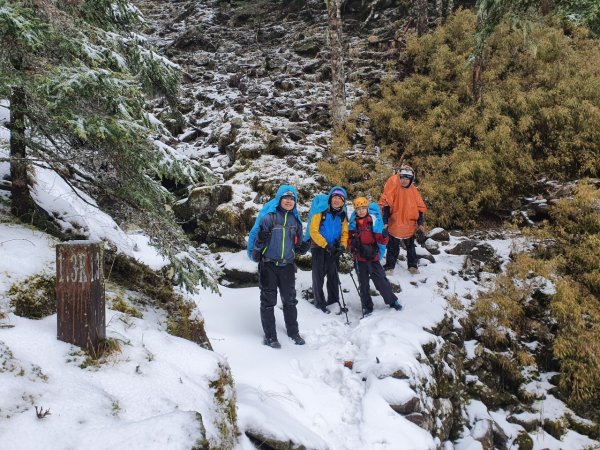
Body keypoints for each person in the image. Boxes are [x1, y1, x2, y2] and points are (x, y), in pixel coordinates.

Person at [248, 185, 310, 348]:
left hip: (287, 266)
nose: (289, 201)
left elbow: (297, 244)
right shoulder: (269, 218)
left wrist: (302, 248)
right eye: (286, 198)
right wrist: (258, 245)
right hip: (268, 265)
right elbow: (258, 242)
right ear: (279, 200)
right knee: (268, 302)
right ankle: (270, 336)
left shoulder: (295, 222)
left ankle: (293, 332)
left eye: (292, 199)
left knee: (290, 301)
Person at [348, 197, 402, 314]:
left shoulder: (373, 221)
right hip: (359, 259)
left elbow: (382, 240)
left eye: (363, 208)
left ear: (367, 209)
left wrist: (384, 235)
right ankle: (367, 306)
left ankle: (392, 301)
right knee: (363, 285)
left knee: (381, 282)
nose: (361, 211)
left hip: (373, 258)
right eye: (358, 209)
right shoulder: (353, 224)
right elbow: (349, 239)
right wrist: (352, 246)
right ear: (355, 210)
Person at [379, 164, 427, 275]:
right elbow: (386, 207)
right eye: (402, 177)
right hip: (394, 224)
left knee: (410, 247)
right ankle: (389, 267)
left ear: (411, 179)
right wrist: (385, 223)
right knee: (392, 247)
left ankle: (413, 266)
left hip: (409, 225)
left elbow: (419, 209)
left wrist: (420, 224)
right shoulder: (393, 189)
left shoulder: (414, 192)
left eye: (407, 178)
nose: (404, 180)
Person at [308, 186, 349, 314]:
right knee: (318, 277)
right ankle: (319, 303)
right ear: (330, 199)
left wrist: (342, 246)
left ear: (343, 201)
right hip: (319, 248)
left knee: (333, 276)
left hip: (334, 249)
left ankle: (333, 302)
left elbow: (345, 233)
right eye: (335, 198)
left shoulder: (342, 216)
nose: (337, 200)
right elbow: (313, 231)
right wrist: (325, 245)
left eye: (340, 199)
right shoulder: (321, 212)